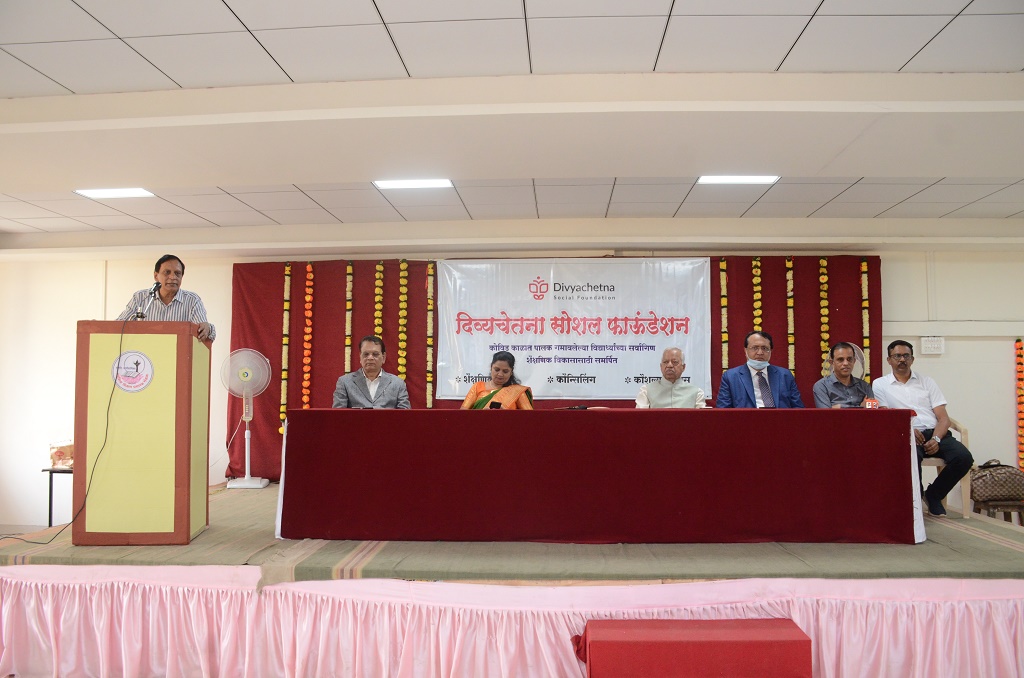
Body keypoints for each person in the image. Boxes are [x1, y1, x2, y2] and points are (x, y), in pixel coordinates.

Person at [872, 340, 974, 517]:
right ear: (889, 360)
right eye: (897, 356)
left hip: (935, 433)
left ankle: (934, 495)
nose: (902, 360)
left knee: (964, 457)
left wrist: (936, 439)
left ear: (912, 359)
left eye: (906, 356)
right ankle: (916, 503)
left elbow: (943, 418)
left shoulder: (927, 382)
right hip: (906, 434)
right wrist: (908, 429)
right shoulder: (880, 384)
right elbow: (885, 416)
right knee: (911, 457)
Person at [116, 254, 215, 341]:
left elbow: (203, 331)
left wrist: (207, 328)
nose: (173, 277)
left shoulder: (192, 300)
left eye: (177, 273)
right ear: (156, 276)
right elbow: (118, 326)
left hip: (178, 354)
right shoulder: (140, 298)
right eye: (167, 272)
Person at [715, 330, 804, 408]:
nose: (760, 352)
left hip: (780, 420)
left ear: (771, 351)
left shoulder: (785, 375)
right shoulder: (731, 377)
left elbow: (798, 409)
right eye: (755, 348)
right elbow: (723, 410)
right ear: (745, 350)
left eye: (765, 348)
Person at [332, 335, 411, 409]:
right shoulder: (345, 382)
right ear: (360, 357)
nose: (370, 358)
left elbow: (405, 415)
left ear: (383, 358)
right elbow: (338, 415)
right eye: (366, 354)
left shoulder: (398, 383)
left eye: (375, 354)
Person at [635, 347, 706, 408]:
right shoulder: (646, 391)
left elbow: (701, 417)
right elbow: (640, 417)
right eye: (665, 362)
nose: (669, 365)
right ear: (661, 366)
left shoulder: (697, 393)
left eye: (674, 362)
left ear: (683, 367)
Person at [460, 351, 533, 410]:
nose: (500, 374)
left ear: (511, 372)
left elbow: (529, 417)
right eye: (497, 370)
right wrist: (482, 413)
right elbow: (462, 414)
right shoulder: (478, 386)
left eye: (505, 371)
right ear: (491, 367)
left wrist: (507, 414)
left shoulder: (517, 392)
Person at [813, 342, 875, 408]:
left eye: (849, 359)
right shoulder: (822, 386)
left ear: (854, 361)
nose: (846, 363)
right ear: (832, 362)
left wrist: (839, 407)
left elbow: (872, 412)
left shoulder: (864, 386)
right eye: (840, 359)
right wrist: (861, 407)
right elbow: (825, 413)